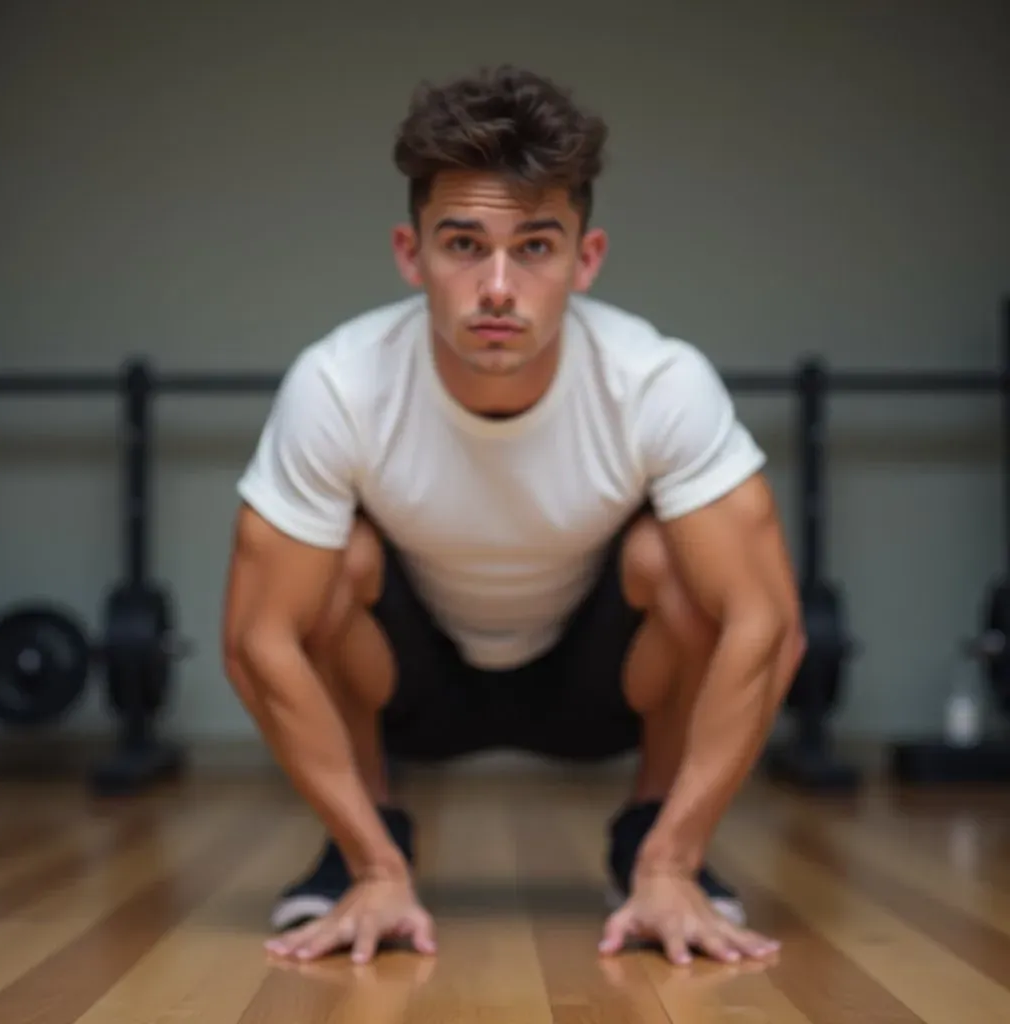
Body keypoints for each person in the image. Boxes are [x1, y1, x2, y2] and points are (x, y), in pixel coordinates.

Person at [222, 64, 805, 968]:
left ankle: (653, 847)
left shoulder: (657, 382)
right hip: (410, 691)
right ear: (411, 254)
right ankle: (364, 849)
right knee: (334, 564)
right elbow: (256, 641)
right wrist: (376, 863)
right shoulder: (338, 384)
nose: (498, 288)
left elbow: (769, 626)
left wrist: (676, 856)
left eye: (534, 247)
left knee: (674, 559)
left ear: (587, 257)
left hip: (601, 690)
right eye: (463, 244)